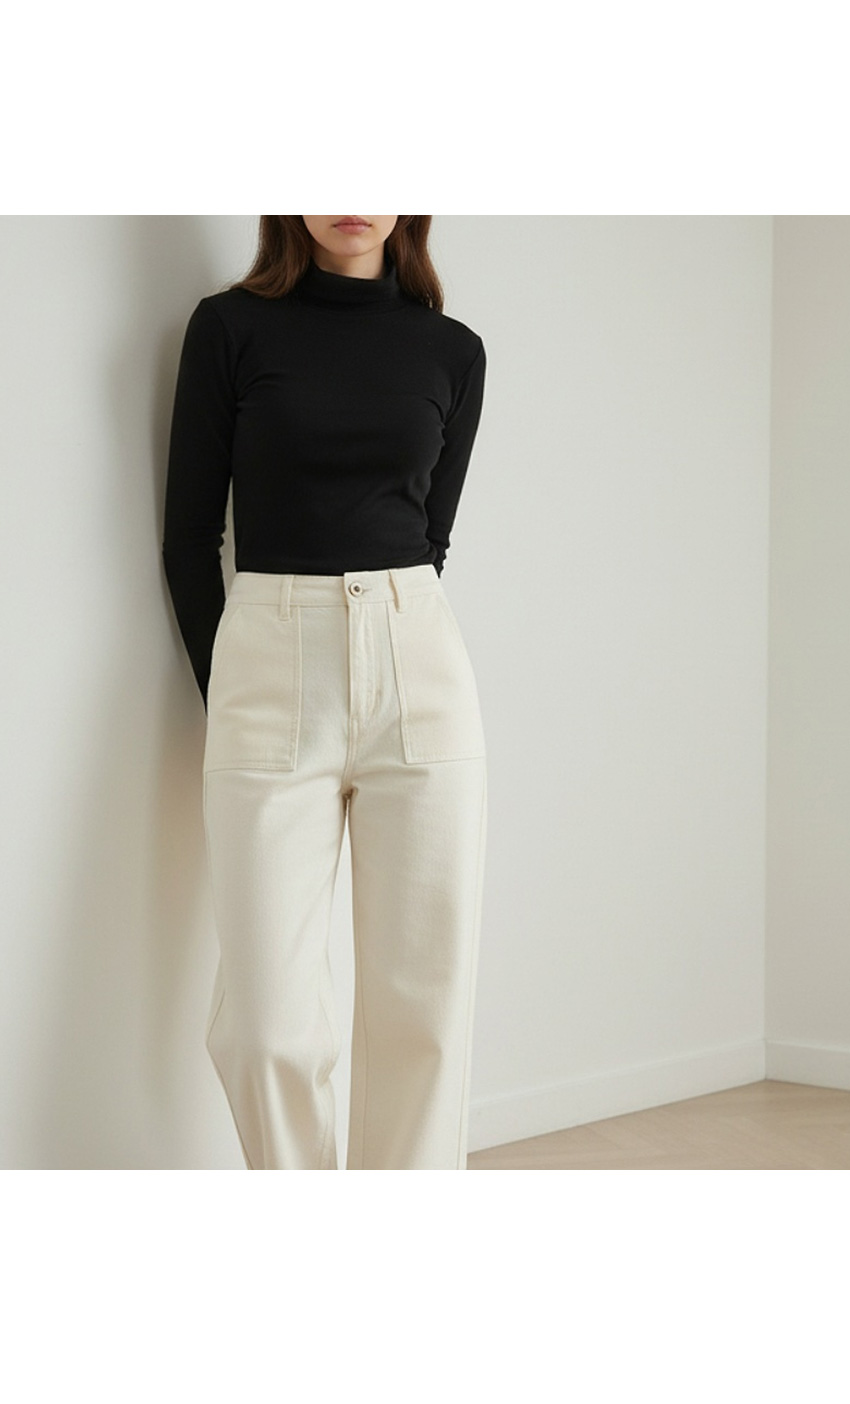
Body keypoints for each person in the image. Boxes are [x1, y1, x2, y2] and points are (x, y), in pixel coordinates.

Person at [161, 215, 488, 1169]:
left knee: (424, 1009)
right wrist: (234, 689)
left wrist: (379, 634)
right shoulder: (230, 329)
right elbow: (190, 540)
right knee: (266, 1024)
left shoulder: (453, 352)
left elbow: (430, 537)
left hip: (418, 670)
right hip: (270, 670)